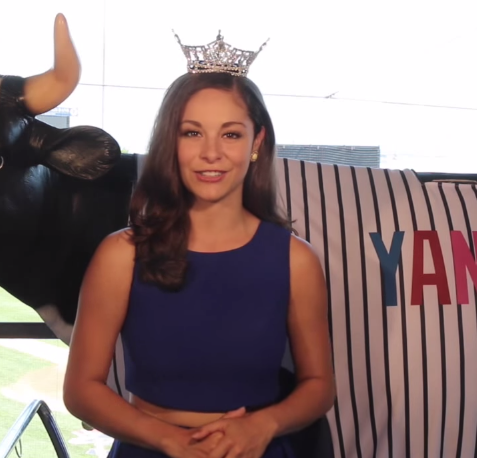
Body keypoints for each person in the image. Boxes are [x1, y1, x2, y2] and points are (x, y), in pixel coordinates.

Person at [63, 32, 335, 458]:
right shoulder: (121, 256)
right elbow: (81, 391)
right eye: (192, 133)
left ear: (256, 143)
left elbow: (319, 387)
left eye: (230, 135)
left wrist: (264, 425)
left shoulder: (295, 259)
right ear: (171, 141)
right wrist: (171, 441)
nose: (212, 153)